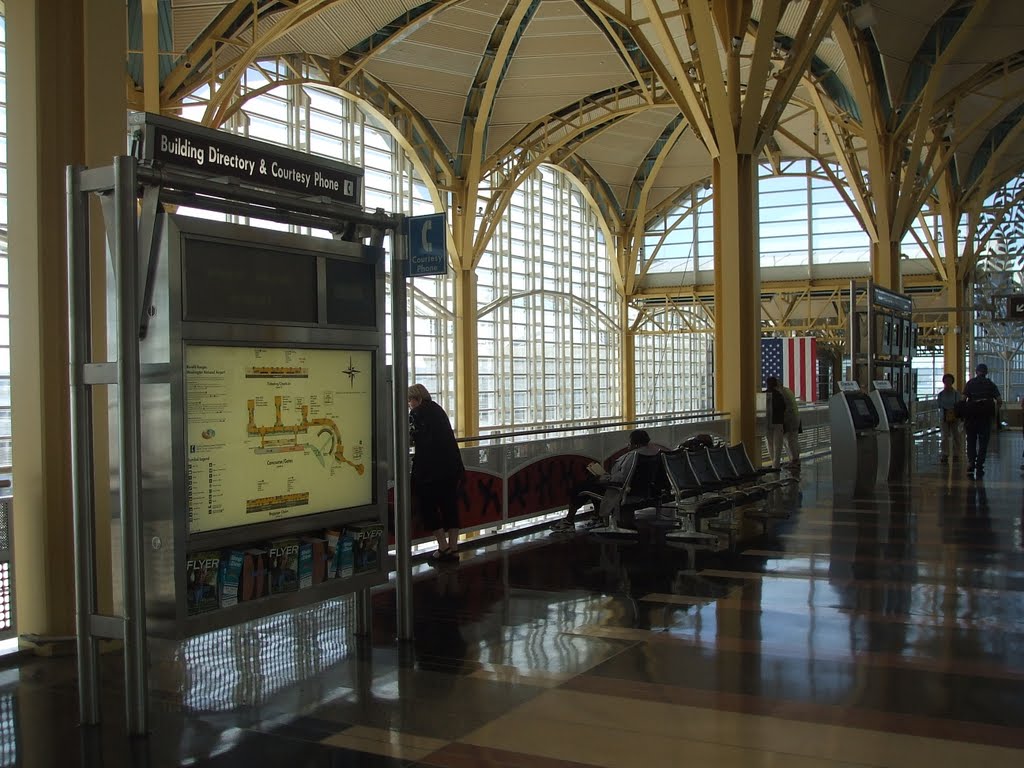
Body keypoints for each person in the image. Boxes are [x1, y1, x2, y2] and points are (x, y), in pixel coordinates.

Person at [552, 429, 666, 531]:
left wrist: (605, 478)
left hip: (622, 491)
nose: (628, 446)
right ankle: (597, 517)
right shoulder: (653, 454)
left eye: (629, 443)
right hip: (643, 491)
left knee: (582, 487)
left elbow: (622, 477)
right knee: (592, 485)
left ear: (635, 445)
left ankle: (569, 520)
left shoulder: (634, 456)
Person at [408, 383, 465, 561]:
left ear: (416, 399)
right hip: (451, 467)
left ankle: (442, 546)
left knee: (429, 506)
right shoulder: (438, 409)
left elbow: (411, 438)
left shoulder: (416, 413)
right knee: (450, 506)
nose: (409, 404)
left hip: (428, 470)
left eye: (409, 400)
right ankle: (454, 547)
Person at [961, 363, 1001, 479]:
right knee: (983, 442)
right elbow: (999, 400)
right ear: (986, 372)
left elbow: (963, 399)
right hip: (985, 418)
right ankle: (980, 464)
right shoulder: (990, 384)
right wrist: (994, 413)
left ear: (976, 371)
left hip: (971, 418)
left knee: (971, 441)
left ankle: (971, 463)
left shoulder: (970, 384)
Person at [765, 376, 800, 469]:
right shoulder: (785, 391)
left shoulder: (776, 393)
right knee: (783, 443)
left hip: (772, 423)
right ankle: (784, 462)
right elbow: (785, 407)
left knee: (785, 442)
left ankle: (791, 461)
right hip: (784, 421)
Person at [936, 373, 962, 463]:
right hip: (944, 417)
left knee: (956, 436)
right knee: (944, 436)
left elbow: (959, 404)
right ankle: (945, 453)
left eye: (949, 381)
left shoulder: (956, 394)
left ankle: (956, 454)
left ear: (952, 382)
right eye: (946, 381)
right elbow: (938, 405)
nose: (947, 383)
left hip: (955, 417)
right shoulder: (940, 395)